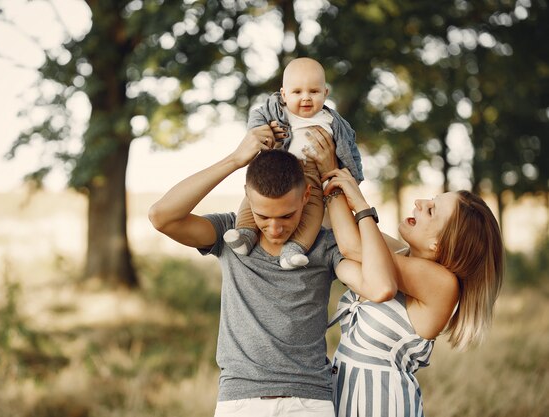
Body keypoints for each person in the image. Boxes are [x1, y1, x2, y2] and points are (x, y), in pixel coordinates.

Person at [148, 125, 396, 417]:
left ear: (306, 196)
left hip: (308, 402)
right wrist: (235, 160)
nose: (275, 228)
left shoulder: (324, 245)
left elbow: (379, 287)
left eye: (287, 215)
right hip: (239, 402)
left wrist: (358, 204)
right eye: (263, 215)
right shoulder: (229, 235)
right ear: (247, 197)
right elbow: (161, 217)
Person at [317, 165, 504, 417]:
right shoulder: (398, 255)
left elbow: (351, 246)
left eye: (431, 209)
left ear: (438, 243)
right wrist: (322, 171)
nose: (419, 202)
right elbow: (339, 230)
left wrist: (353, 196)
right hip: (346, 402)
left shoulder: (442, 283)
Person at [223, 57, 364, 270]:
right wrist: (265, 130)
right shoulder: (275, 111)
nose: (306, 98)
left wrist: (352, 177)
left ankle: (295, 249)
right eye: (297, 92)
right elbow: (256, 120)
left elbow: (349, 149)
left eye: (314, 92)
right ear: (284, 94)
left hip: (312, 173)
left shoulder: (333, 122)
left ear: (325, 93)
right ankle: (245, 233)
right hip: (276, 167)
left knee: (314, 209)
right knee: (256, 197)